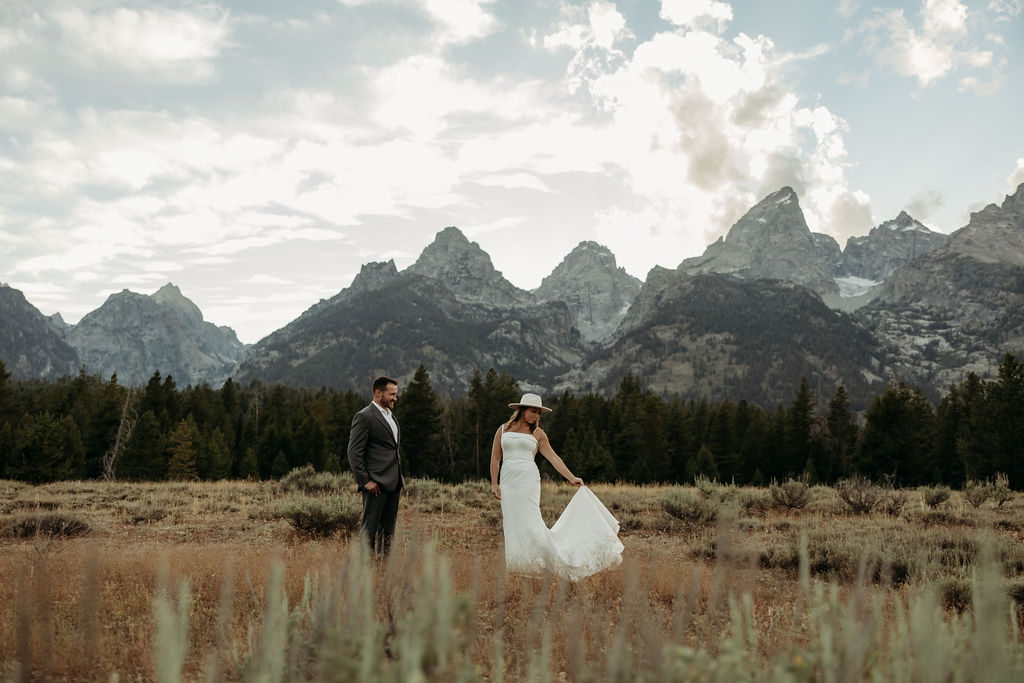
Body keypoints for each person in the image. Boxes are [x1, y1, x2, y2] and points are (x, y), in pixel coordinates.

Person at [490, 393, 623, 580]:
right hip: (508, 482)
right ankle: (519, 568)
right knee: (512, 524)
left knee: (532, 523)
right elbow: (495, 458)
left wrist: (571, 477)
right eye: (532, 411)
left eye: (538, 413)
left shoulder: (538, 434)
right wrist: (494, 483)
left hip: (528, 482)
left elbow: (553, 458)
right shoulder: (503, 430)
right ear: (522, 410)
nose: (535, 416)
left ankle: (554, 564)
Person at [347, 375, 404, 557]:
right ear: (378, 393)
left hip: (393, 484)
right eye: (392, 394)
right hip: (375, 485)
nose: (395, 398)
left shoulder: (391, 417)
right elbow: (354, 453)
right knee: (369, 530)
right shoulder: (364, 417)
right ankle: (364, 571)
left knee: (388, 532)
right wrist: (365, 481)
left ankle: (383, 570)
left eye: (396, 394)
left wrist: (399, 480)